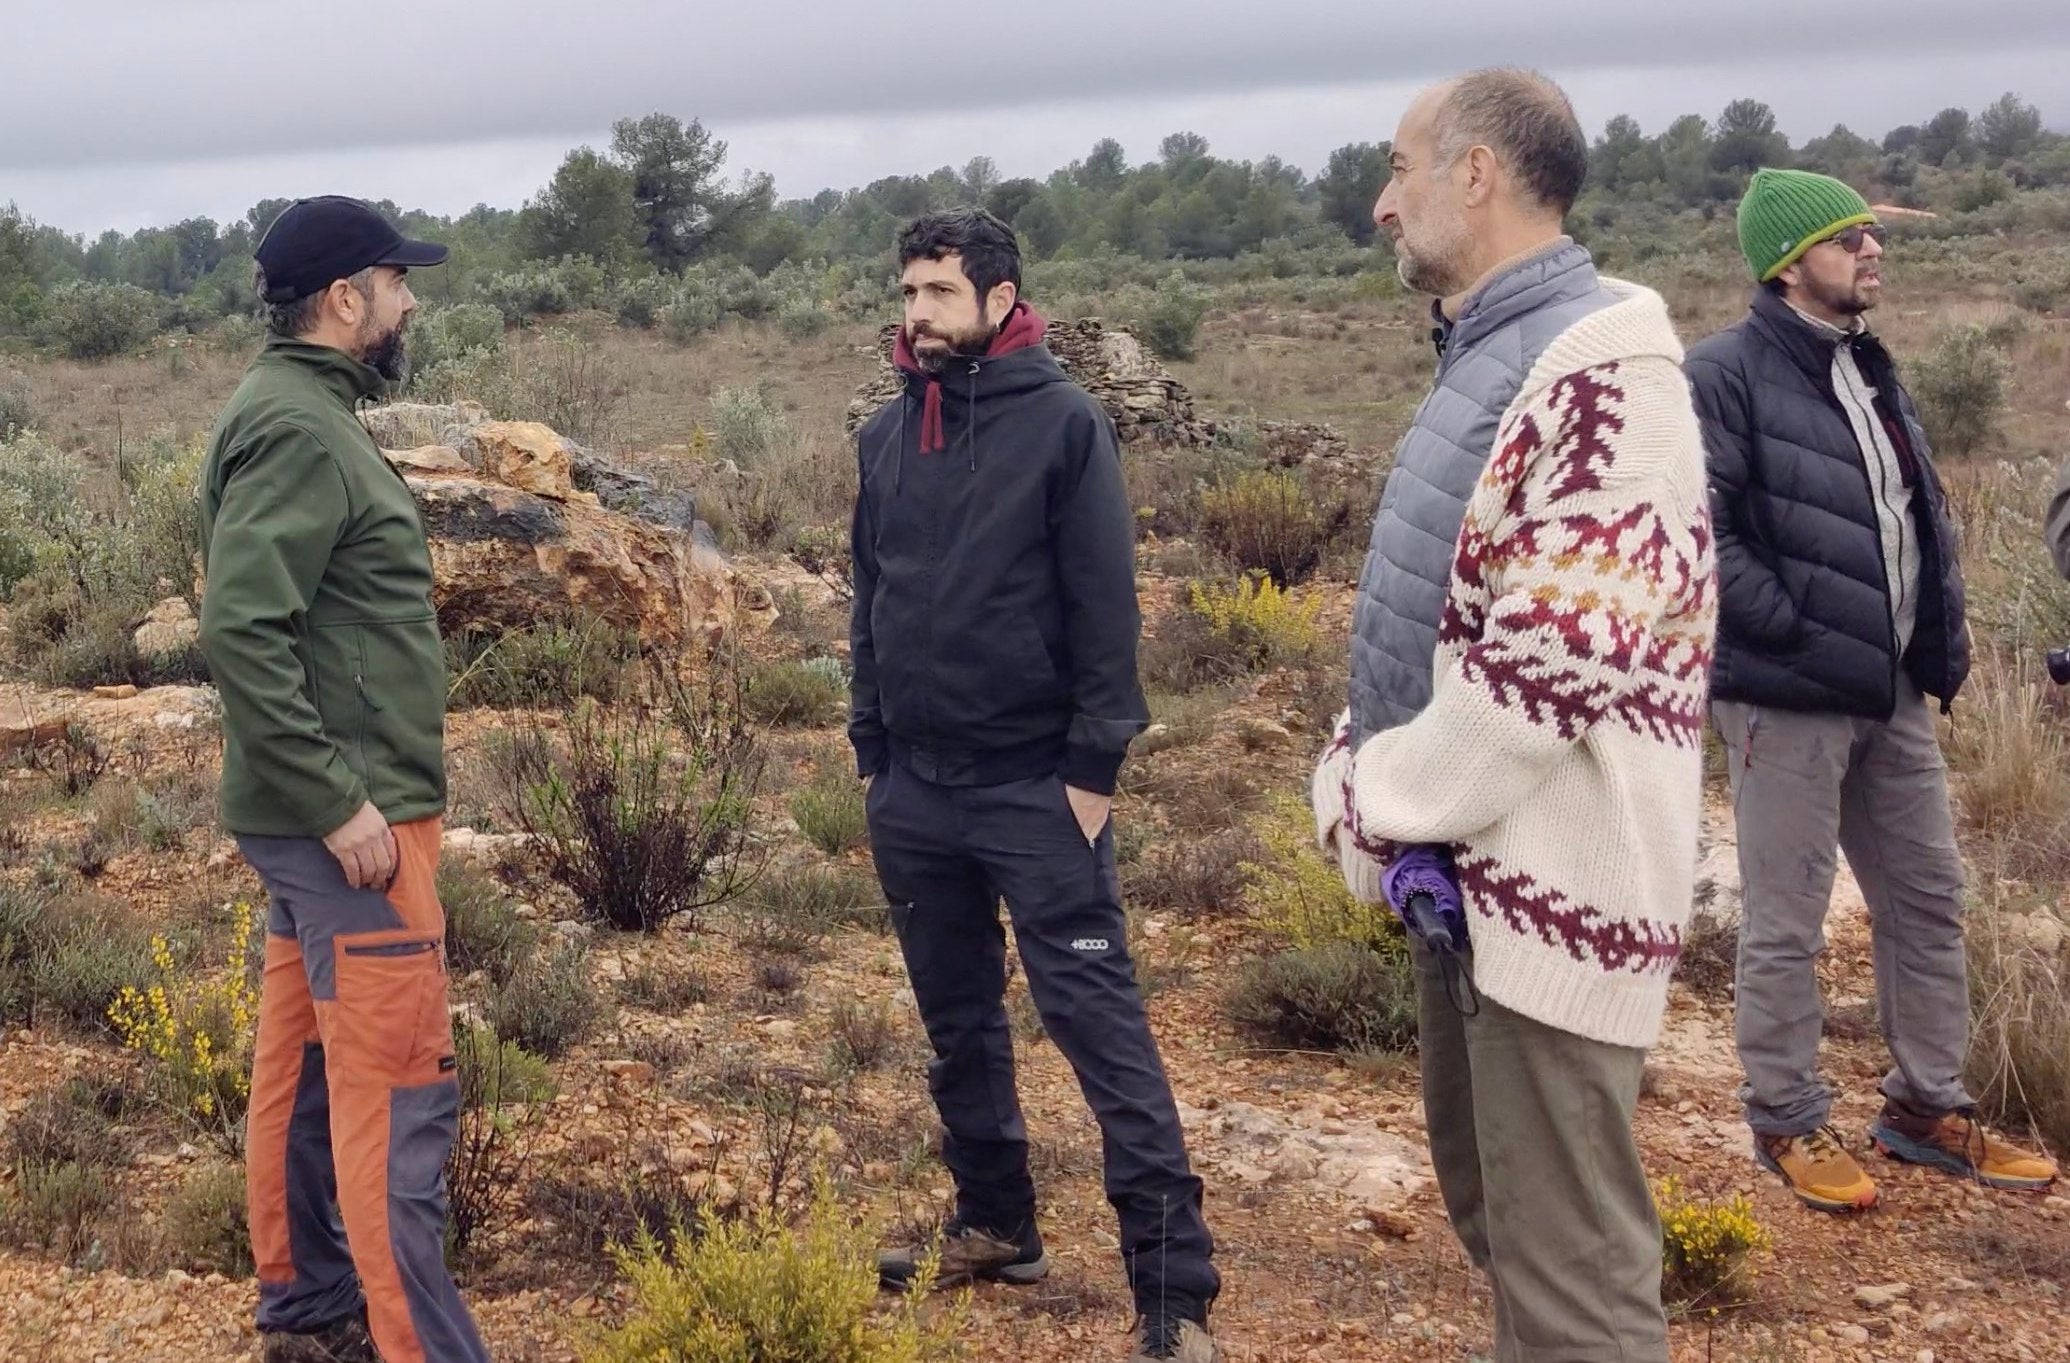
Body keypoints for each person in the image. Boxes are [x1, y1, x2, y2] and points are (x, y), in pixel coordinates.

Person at [1311, 69, 1715, 1362]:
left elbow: (1541, 671)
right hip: (1472, 890)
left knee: (1572, 1288)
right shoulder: (1497, 348)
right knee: (1507, 1227)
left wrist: (1369, 796)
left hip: (1550, 894)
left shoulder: (1605, 371)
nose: (1381, 203)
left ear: (1475, 172)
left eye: (1399, 167)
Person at [850, 207, 1219, 1363]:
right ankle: (996, 1223)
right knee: (958, 1021)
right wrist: (872, 750)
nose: (918, 316)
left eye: (940, 295)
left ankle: (1174, 1291)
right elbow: (866, 594)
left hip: (1033, 789)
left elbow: (1107, 609)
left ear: (1001, 299)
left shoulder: (1065, 425)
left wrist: (1091, 772)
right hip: (917, 788)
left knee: (1100, 1032)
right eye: (909, 294)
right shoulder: (883, 432)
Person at [1686, 168, 2058, 1210]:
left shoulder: (1871, 367)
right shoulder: (1722, 373)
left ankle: (1925, 1107)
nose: (1870, 249)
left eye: (1868, 233)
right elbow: (1700, 535)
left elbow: (1911, 520)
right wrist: (1796, 627)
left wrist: (1932, 638)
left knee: (1929, 898)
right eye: (1846, 237)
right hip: (1786, 694)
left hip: (1888, 688)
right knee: (1788, 916)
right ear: (1787, 262)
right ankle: (1787, 1119)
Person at [199, 196, 490, 1363]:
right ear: (343, 299)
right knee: (395, 1097)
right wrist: (336, 800)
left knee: (309, 1076)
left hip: (312, 821)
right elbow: (240, 624)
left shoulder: (293, 408)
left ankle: (311, 1314)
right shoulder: (303, 430)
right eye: (394, 279)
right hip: (349, 829)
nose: (409, 298)